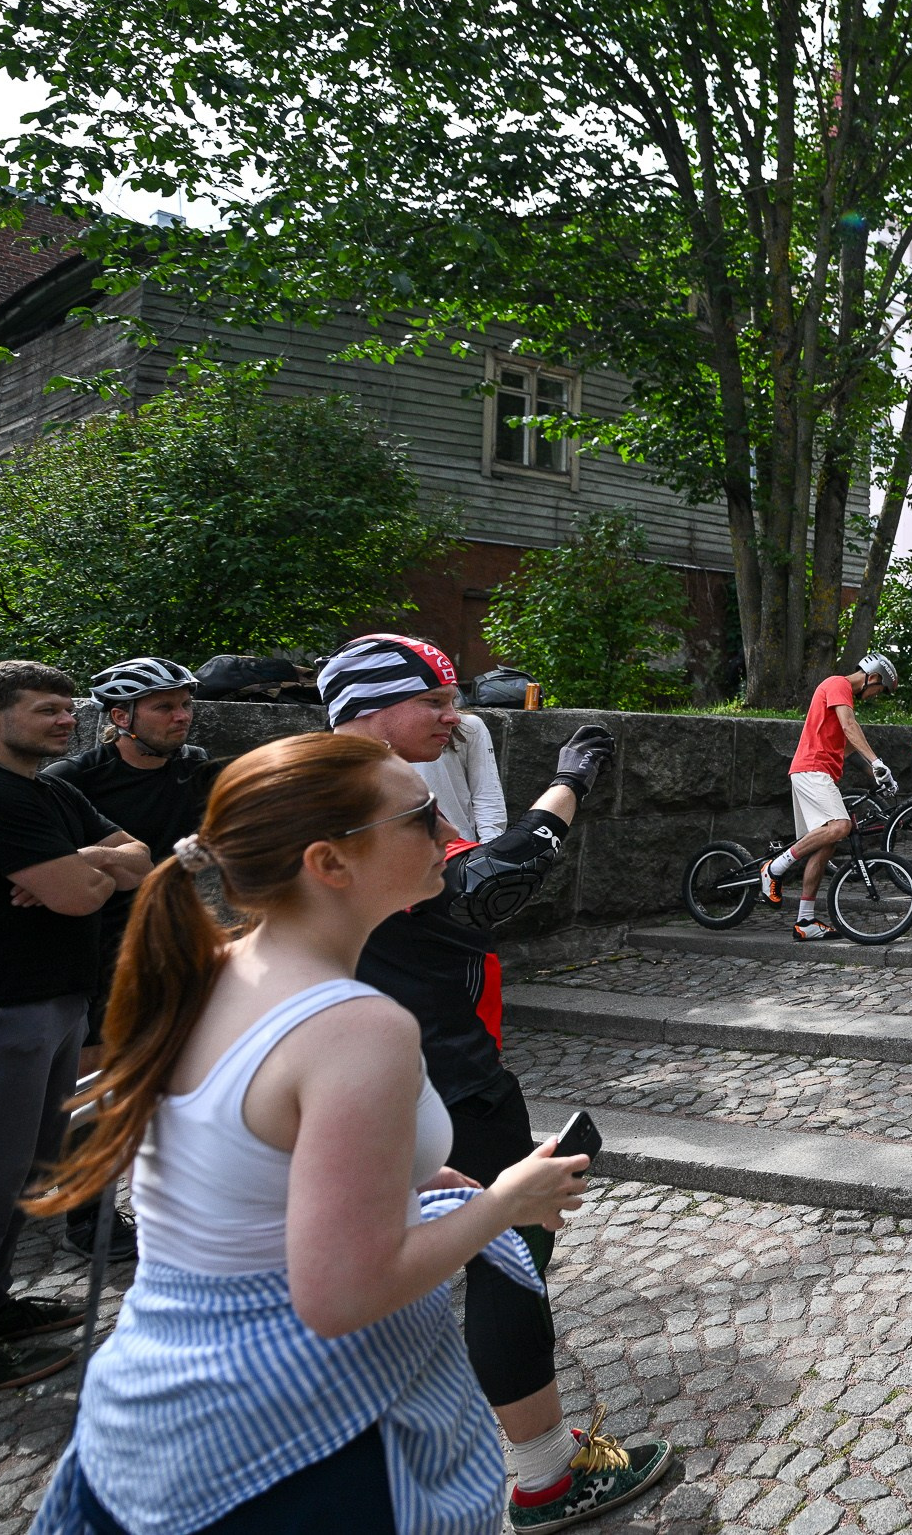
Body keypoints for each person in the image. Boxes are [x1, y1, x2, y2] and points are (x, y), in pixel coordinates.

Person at [23, 732, 588, 1534]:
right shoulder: (357, 1027)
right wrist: (504, 1201)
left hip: (146, 1411)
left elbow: (238, 1156)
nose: (447, 834)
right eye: (423, 816)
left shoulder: (202, 967)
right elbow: (342, 1297)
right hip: (300, 1444)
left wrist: (409, 1179)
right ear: (330, 862)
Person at [319, 634, 671, 1530]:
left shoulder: (318, 783)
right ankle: (545, 1477)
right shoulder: (359, 795)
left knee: (444, 1258)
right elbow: (488, 888)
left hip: (377, 1061)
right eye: (432, 700)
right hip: (435, 1073)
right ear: (364, 710)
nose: (454, 714)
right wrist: (569, 786)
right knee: (509, 1262)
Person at [0, 662, 152, 1399]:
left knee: (21, 1172)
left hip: (48, 1005)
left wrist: (82, 858)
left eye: (67, 708)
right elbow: (83, 898)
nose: (66, 720)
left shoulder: (50, 790)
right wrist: (87, 869)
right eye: (47, 709)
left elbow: (140, 858)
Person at [43, 656, 213, 1258]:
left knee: (170, 1072)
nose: (181, 717)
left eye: (185, 705)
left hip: (167, 938)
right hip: (94, 948)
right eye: (165, 707)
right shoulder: (72, 778)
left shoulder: (192, 770)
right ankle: (87, 1222)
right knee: (95, 1082)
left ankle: (172, 1199)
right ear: (121, 716)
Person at [757, 655, 898, 941]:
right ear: (873, 677)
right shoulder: (838, 684)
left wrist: (879, 774)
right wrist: (877, 760)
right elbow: (849, 727)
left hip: (817, 773)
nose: (875, 696)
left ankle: (805, 921)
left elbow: (846, 746)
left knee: (827, 845)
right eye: (880, 690)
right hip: (812, 769)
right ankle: (773, 868)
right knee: (839, 827)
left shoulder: (843, 697)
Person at [422, 709, 510, 843]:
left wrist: (490, 847)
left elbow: (487, 793)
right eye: (434, 700)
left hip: (456, 849)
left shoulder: (469, 726)